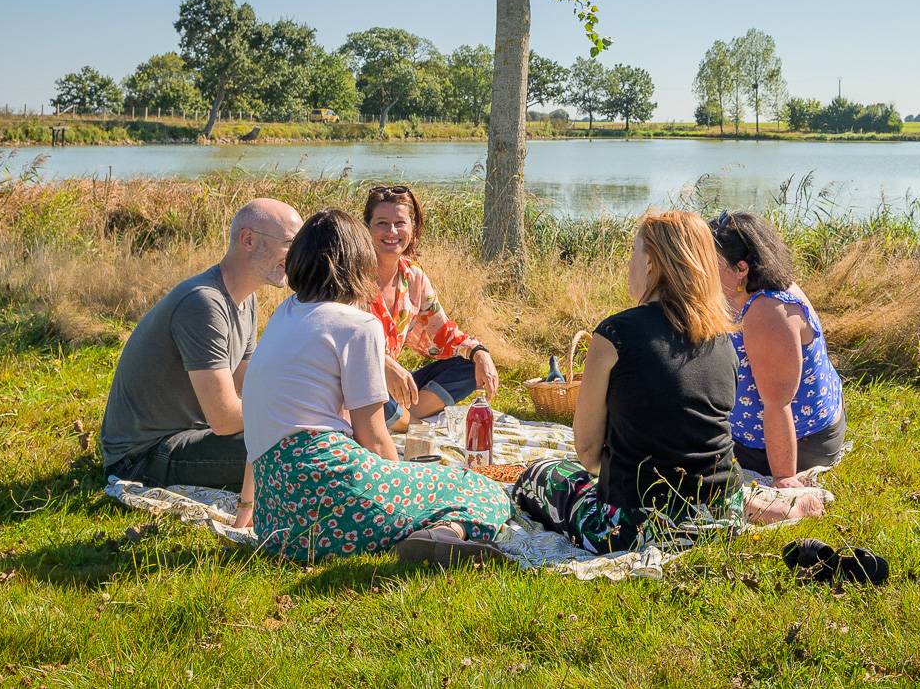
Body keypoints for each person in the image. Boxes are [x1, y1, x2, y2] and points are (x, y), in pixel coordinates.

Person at [241, 208, 511, 564]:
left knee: (430, 482)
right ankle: (443, 536)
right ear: (358, 264)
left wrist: (247, 504)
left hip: (277, 522)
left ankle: (431, 536)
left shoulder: (284, 314)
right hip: (328, 488)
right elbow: (372, 435)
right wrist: (397, 482)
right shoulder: (357, 324)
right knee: (480, 490)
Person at [510, 209, 745, 554]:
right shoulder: (724, 340)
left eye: (634, 253)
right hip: (723, 519)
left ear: (651, 262)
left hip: (633, 527)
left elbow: (588, 453)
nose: (630, 265)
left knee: (542, 474)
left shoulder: (615, 334)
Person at [99, 198, 301, 492]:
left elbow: (248, 386)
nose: (297, 255)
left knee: (306, 441)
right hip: (142, 457)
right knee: (294, 452)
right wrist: (296, 412)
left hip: (192, 436)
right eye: (289, 243)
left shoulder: (246, 298)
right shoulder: (203, 302)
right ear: (248, 240)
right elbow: (224, 419)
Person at [710, 210, 846, 481]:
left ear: (741, 269)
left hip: (798, 443)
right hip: (784, 433)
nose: (705, 271)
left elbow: (777, 403)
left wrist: (784, 479)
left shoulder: (769, 311)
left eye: (713, 263)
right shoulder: (748, 290)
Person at [361, 184, 499, 428]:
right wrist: (380, 362)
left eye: (400, 223)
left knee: (468, 366)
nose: (392, 231)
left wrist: (480, 353)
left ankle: (397, 415)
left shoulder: (413, 278)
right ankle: (407, 422)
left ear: (413, 229)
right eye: (382, 223)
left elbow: (444, 334)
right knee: (371, 392)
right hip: (356, 385)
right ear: (367, 229)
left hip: (391, 389)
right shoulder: (352, 278)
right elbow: (338, 348)